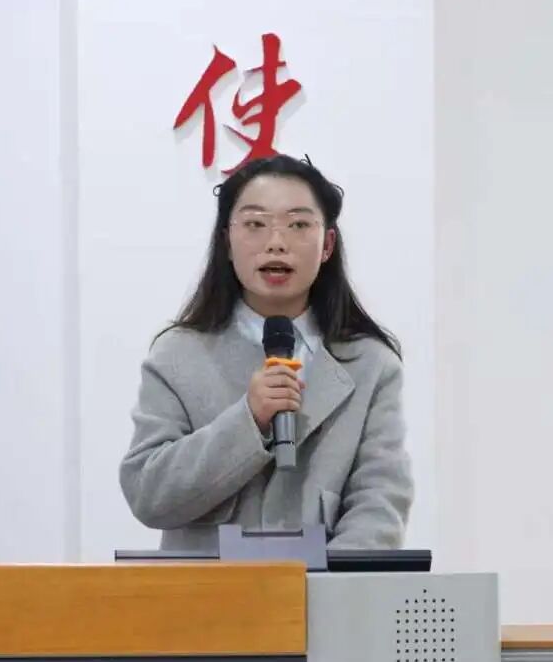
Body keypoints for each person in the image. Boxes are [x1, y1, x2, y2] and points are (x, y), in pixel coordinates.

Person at [120, 154, 413, 551]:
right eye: (255, 224)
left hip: (322, 589)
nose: (277, 242)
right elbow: (148, 492)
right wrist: (248, 419)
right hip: (207, 589)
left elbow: (380, 502)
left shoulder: (371, 364)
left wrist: (317, 582)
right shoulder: (177, 356)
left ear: (327, 245)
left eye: (298, 225)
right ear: (227, 241)